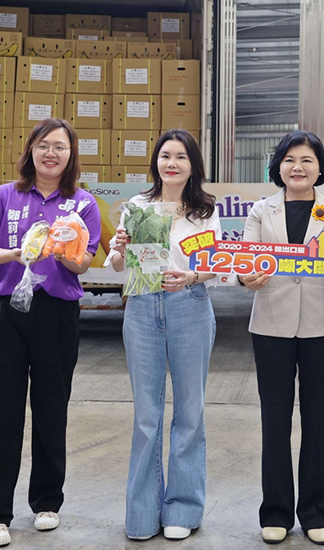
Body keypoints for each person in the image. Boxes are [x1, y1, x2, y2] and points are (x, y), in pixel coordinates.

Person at [0, 118, 101, 548]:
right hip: (6, 312)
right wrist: (15, 253)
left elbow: (85, 263)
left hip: (57, 313)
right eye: (44, 145)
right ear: (30, 150)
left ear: (71, 156)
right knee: (0, 413)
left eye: (60, 147)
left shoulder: (82, 204)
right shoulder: (4, 195)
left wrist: (64, 250)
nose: (51, 154)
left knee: (51, 409)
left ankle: (47, 501)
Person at [239, 130, 324, 545]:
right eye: (290, 159)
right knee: (274, 420)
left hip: (323, 325)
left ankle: (315, 512)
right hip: (271, 324)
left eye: (307, 160)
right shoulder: (261, 211)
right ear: (278, 167)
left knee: (318, 420)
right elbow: (246, 261)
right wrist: (247, 277)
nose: (298, 167)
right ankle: (275, 512)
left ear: (320, 168)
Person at [107, 129, 220, 542]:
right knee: (146, 416)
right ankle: (141, 514)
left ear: (193, 165)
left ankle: (183, 509)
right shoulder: (137, 207)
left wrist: (190, 275)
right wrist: (119, 246)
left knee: (190, 413)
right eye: (165, 155)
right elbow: (117, 264)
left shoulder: (205, 211)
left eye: (181, 157)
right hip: (141, 308)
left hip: (190, 306)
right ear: (156, 162)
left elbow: (215, 265)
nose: (172, 163)